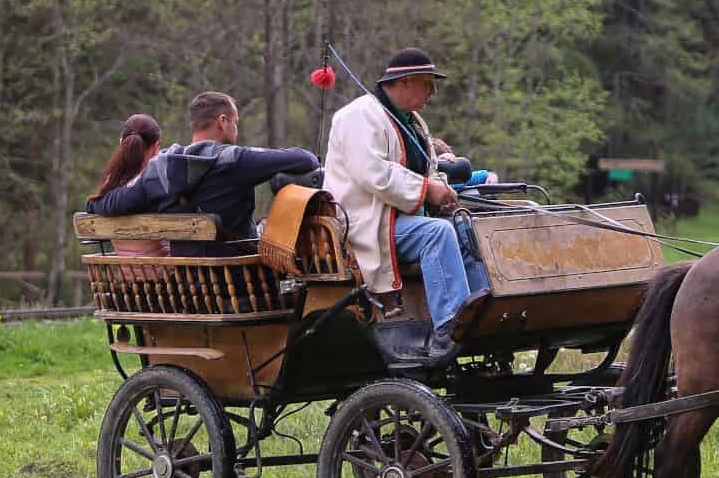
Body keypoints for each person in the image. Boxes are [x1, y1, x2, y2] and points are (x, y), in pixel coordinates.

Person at [324, 47, 490, 363]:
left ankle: (481, 313)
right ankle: (450, 327)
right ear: (405, 82)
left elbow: (426, 169)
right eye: (428, 84)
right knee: (437, 234)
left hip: (402, 220)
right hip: (366, 224)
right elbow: (373, 173)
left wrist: (441, 192)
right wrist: (428, 190)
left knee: (465, 224)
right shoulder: (357, 116)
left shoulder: (411, 121)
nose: (433, 93)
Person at [87, 92, 318, 256]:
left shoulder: (160, 167)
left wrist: (93, 206)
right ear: (223, 121)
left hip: (188, 288)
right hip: (237, 285)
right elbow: (305, 159)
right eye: (235, 122)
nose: (236, 129)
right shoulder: (236, 160)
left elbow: (109, 204)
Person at [87, 114, 169, 258]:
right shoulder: (159, 187)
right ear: (156, 147)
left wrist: (93, 204)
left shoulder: (111, 189)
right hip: (167, 277)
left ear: (121, 143)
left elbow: (91, 204)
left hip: (129, 277)